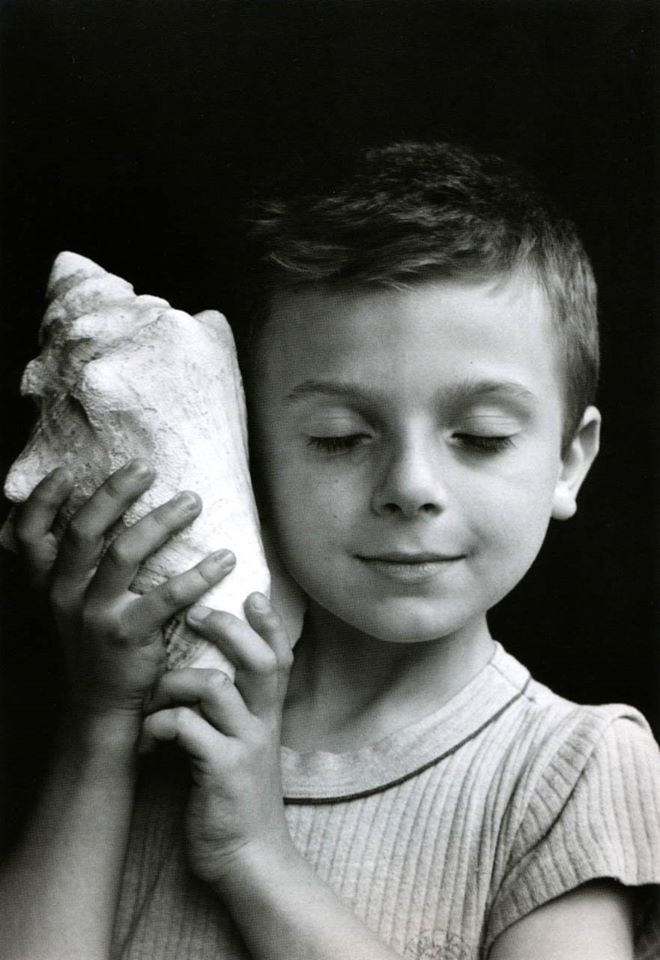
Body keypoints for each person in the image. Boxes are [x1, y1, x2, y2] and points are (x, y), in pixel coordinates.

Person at [1, 141, 658, 960]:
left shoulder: (572, 768)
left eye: (481, 438)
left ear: (568, 460)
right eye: (340, 438)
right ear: (250, 451)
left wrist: (256, 857)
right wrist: (100, 724)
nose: (410, 486)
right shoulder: (163, 730)